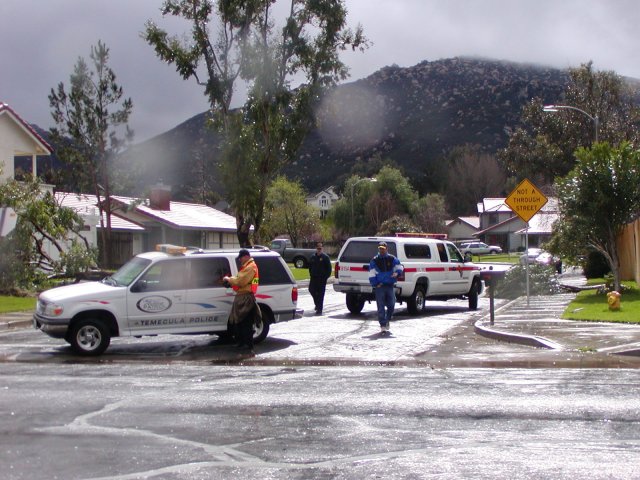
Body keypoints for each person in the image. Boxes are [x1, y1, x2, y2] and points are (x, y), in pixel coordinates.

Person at [223, 249, 261, 355]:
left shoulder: (250, 267)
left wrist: (229, 279)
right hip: (244, 296)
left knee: (245, 322)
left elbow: (241, 281)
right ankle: (242, 343)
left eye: (241, 257)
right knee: (240, 322)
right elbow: (239, 278)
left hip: (246, 297)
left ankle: (248, 345)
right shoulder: (247, 267)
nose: (240, 260)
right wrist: (231, 279)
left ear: (246, 256)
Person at [368, 241, 403, 334]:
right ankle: (383, 325)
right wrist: (375, 283)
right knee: (380, 306)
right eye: (380, 249)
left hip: (390, 285)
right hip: (380, 287)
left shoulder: (392, 259)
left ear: (387, 249)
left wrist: (397, 273)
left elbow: (400, 267)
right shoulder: (374, 260)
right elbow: (371, 273)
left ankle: (387, 319)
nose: (381, 250)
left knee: (391, 304)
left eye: (383, 249)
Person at [308, 242, 332, 314]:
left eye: (320, 248)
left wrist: (325, 277)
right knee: (311, 290)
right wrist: (311, 274)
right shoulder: (312, 257)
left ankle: (319, 310)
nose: (319, 250)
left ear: (322, 249)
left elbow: (329, 269)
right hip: (314, 278)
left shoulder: (325, 258)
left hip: (322, 279)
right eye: (318, 248)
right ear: (316, 248)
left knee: (321, 294)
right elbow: (310, 267)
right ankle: (317, 304)